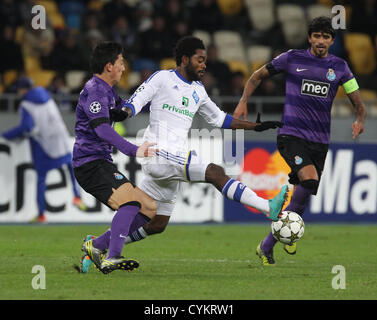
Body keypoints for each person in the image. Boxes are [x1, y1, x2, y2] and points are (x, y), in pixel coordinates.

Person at [81, 36, 289, 272]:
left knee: (157, 223)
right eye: (200, 60)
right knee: (214, 172)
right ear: (184, 59)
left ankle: (96, 246)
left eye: (205, 61)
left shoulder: (198, 91)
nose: (204, 65)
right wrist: (124, 113)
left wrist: (255, 126)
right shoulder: (162, 78)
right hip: (159, 152)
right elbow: (136, 102)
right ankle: (267, 207)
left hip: (171, 159)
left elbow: (220, 119)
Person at [233, 16, 367, 266]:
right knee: (310, 179)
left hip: (320, 141)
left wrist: (359, 119)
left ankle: (269, 244)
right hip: (291, 134)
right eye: (316, 36)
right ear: (309, 38)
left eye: (325, 37)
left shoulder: (340, 67)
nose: (320, 41)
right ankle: (283, 231)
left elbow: (358, 102)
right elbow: (256, 76)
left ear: (331, 41)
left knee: (304, 194)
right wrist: (243, 101)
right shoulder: (291, 58)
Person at [73, 41, 158, 274]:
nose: (124, 67)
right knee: (130, 204)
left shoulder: (107, 90)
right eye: (121, 63)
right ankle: (113, 256)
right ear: (109, 66)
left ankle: (96, 245)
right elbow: (101, 129)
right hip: (89, 163)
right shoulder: (95, 90)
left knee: (149, 208)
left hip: (100, 162)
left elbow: (121, 112)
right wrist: (134, 149)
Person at [1, 76, 87, 223]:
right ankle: (77, 196)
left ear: (22, 90)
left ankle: (41, 214)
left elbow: (26, 127)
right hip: (61, 137)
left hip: (44, 144)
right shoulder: (45, 93)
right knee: (71, 166)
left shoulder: (26, 105)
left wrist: (5, 135)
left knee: (41, 179)